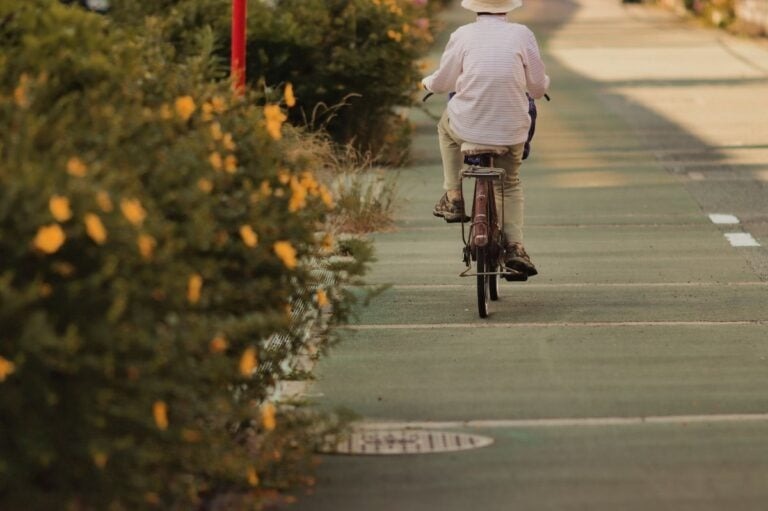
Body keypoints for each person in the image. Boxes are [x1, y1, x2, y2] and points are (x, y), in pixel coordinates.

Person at [421, 0, 550, 277]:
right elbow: (537, 88)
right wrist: (542, 84)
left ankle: (454, 196)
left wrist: (428, 83)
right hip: (511, 130)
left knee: (445, 129)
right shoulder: (522, 34)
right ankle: (515, 246)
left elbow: (443, 82)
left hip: (467, 126)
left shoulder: (462, 35)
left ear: (474, 6)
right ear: (508, 7)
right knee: (510, 184)